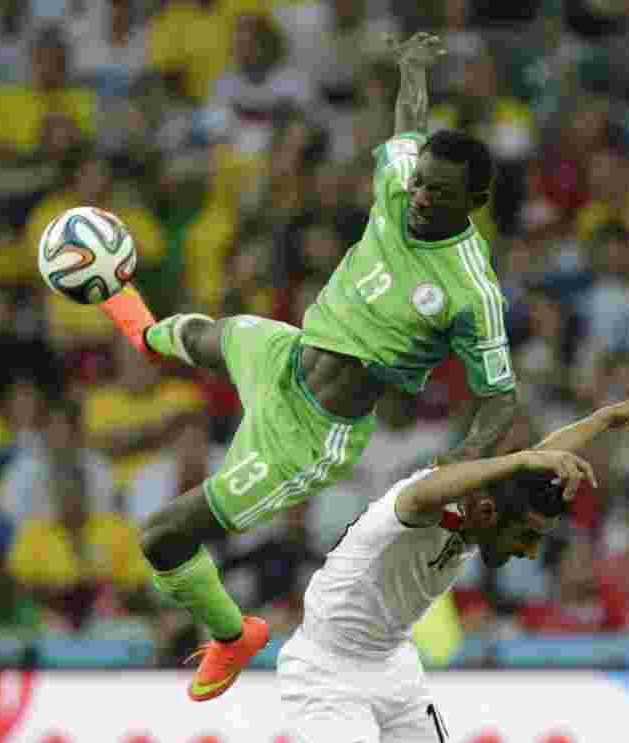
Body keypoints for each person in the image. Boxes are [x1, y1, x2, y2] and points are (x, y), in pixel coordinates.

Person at [99, 32, 522, 701]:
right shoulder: (399, 184)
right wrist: (411, 68)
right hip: (288, 354)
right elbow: (408, 124)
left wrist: (459, 468)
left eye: (438, 194)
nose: (419, 198)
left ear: (472, 202)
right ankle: (125, 309)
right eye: (418, 184)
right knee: (198, 336)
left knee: (160, 536)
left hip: (309, 433)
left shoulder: (472, 290)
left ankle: (233, 634)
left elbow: (500, 395)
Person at [278, 390, 629, 741]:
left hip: (392, 664)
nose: (531, 552)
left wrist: (601, 420)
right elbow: (430, 491)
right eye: (526, 537)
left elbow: (528, 466)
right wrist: (519, 461)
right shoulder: (422, 503)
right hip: (328, 668)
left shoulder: (486, 510)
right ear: (486, 512)